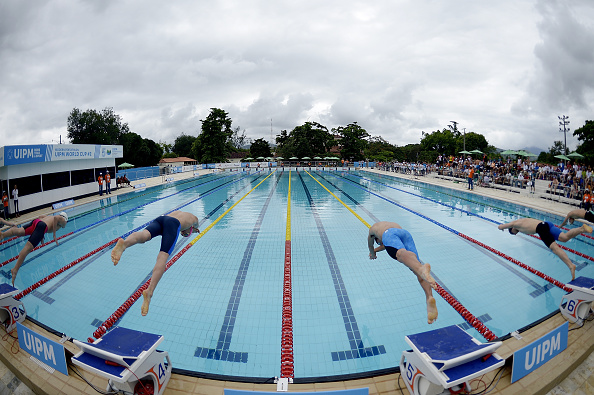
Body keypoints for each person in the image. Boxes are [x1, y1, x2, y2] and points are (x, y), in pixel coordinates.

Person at [111, 211, 200, 316]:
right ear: (191, 228)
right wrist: (195, 229)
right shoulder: (194, 219)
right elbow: (196, 224)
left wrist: (191, 229)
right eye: (184, 234)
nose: (183, 233)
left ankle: (124, 244)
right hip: (173, 224)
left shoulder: (178, 212)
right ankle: (150, 291)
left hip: (161, 219)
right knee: (162, 256)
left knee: (144, 236)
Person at [368, 221, 438, 324]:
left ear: (376, 239)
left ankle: (421, 270)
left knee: (400, 254)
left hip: (389, 234)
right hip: (405, 234)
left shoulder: (372, 232)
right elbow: (388, 244)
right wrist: (378, 249)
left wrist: (373, 253)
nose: (380, 244)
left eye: (378, 242)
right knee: (415, 265)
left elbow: (370, 246)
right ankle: (429, 297)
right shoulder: (386, 226)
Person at [498, 218, 592, 280]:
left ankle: (571, 265)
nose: (516, 233)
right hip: (546, 224)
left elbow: (501, 226)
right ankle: (581, 229)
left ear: (512, 229)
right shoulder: (521, 220)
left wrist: (501, 227)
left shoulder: (515, 224)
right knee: (565, 237)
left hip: (541, 228)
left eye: (514, 233)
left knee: (555, 248)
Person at [7, 212, 68, 286]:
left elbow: (41, 216)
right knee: (27, 249)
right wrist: (54, 234)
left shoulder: (49, 217)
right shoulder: (62, 220)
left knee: (19, 231)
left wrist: (42, 235)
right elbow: (56, 218)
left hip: (37, 222)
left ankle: (3, 234)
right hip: (41, 226)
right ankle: (15, 269)